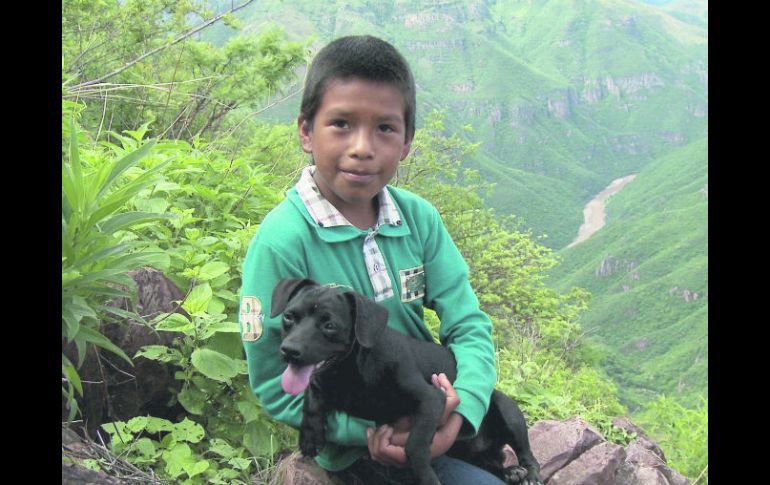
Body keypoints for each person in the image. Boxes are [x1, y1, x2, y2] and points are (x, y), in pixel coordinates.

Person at [239, 35, 503, 484]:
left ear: (406, 143)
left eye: (385, 128)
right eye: (341, 123)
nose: (363, 147)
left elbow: (468, 325)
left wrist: (462, 410)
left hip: (432, 412)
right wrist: (370, 431)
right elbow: (273, 382)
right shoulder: (282, 242)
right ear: (306, 130)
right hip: (353, 450)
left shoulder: (417, 219)